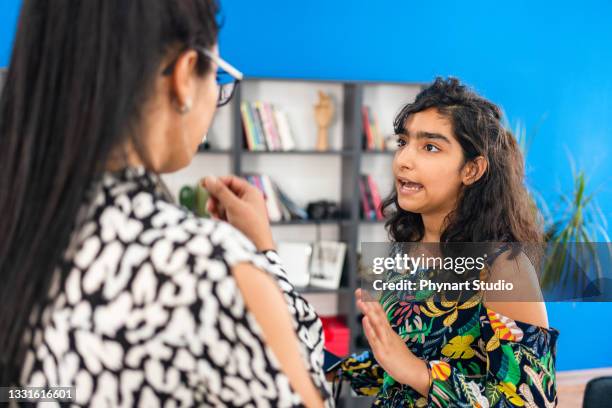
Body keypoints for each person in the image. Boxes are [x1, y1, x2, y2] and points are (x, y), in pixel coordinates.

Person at [0, 1, 331, 406]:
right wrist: (264, 256)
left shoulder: (19, 228)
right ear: (184, 75)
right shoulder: (204, 266)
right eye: (220, 80)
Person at [332, 78, 559, 407]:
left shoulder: (505, 269)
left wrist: (420, 374)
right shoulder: (407, 249)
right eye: (402, 142)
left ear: (472, 169)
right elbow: (399, 357)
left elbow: (531, 400)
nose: (403, 160)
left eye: (430, 147)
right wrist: (331, 368)